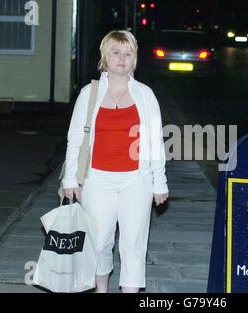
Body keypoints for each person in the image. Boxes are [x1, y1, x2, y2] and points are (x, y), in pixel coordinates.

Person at [61, 30, 169, 293]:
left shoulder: (145, 95)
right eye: (116, 52)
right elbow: (75, 138)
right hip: (96, 179)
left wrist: (159, 182)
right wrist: (70, 178)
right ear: (104, 57)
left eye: (128, 53)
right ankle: (101, 289)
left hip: (136, 180)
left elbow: (155, 141)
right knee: (98, 242)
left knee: (133, 243)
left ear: (134, 59)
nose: (122, 58)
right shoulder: (89, 93)